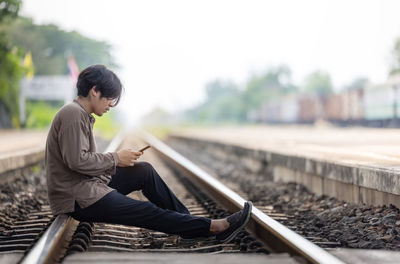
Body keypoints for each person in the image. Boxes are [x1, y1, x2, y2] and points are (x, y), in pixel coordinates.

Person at [45, 64, 252, 243]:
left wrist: (118, 161)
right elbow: (77, 161)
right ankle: (215, 227)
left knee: (143, 171)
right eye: (110, 98)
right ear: (95, 91)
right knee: (144, 211)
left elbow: (79, 161)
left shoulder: (80, 114)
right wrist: (116, 158)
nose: (112, 104)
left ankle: (189, 225)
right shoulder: (73, 114)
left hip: (87, 188)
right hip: (78, 199)